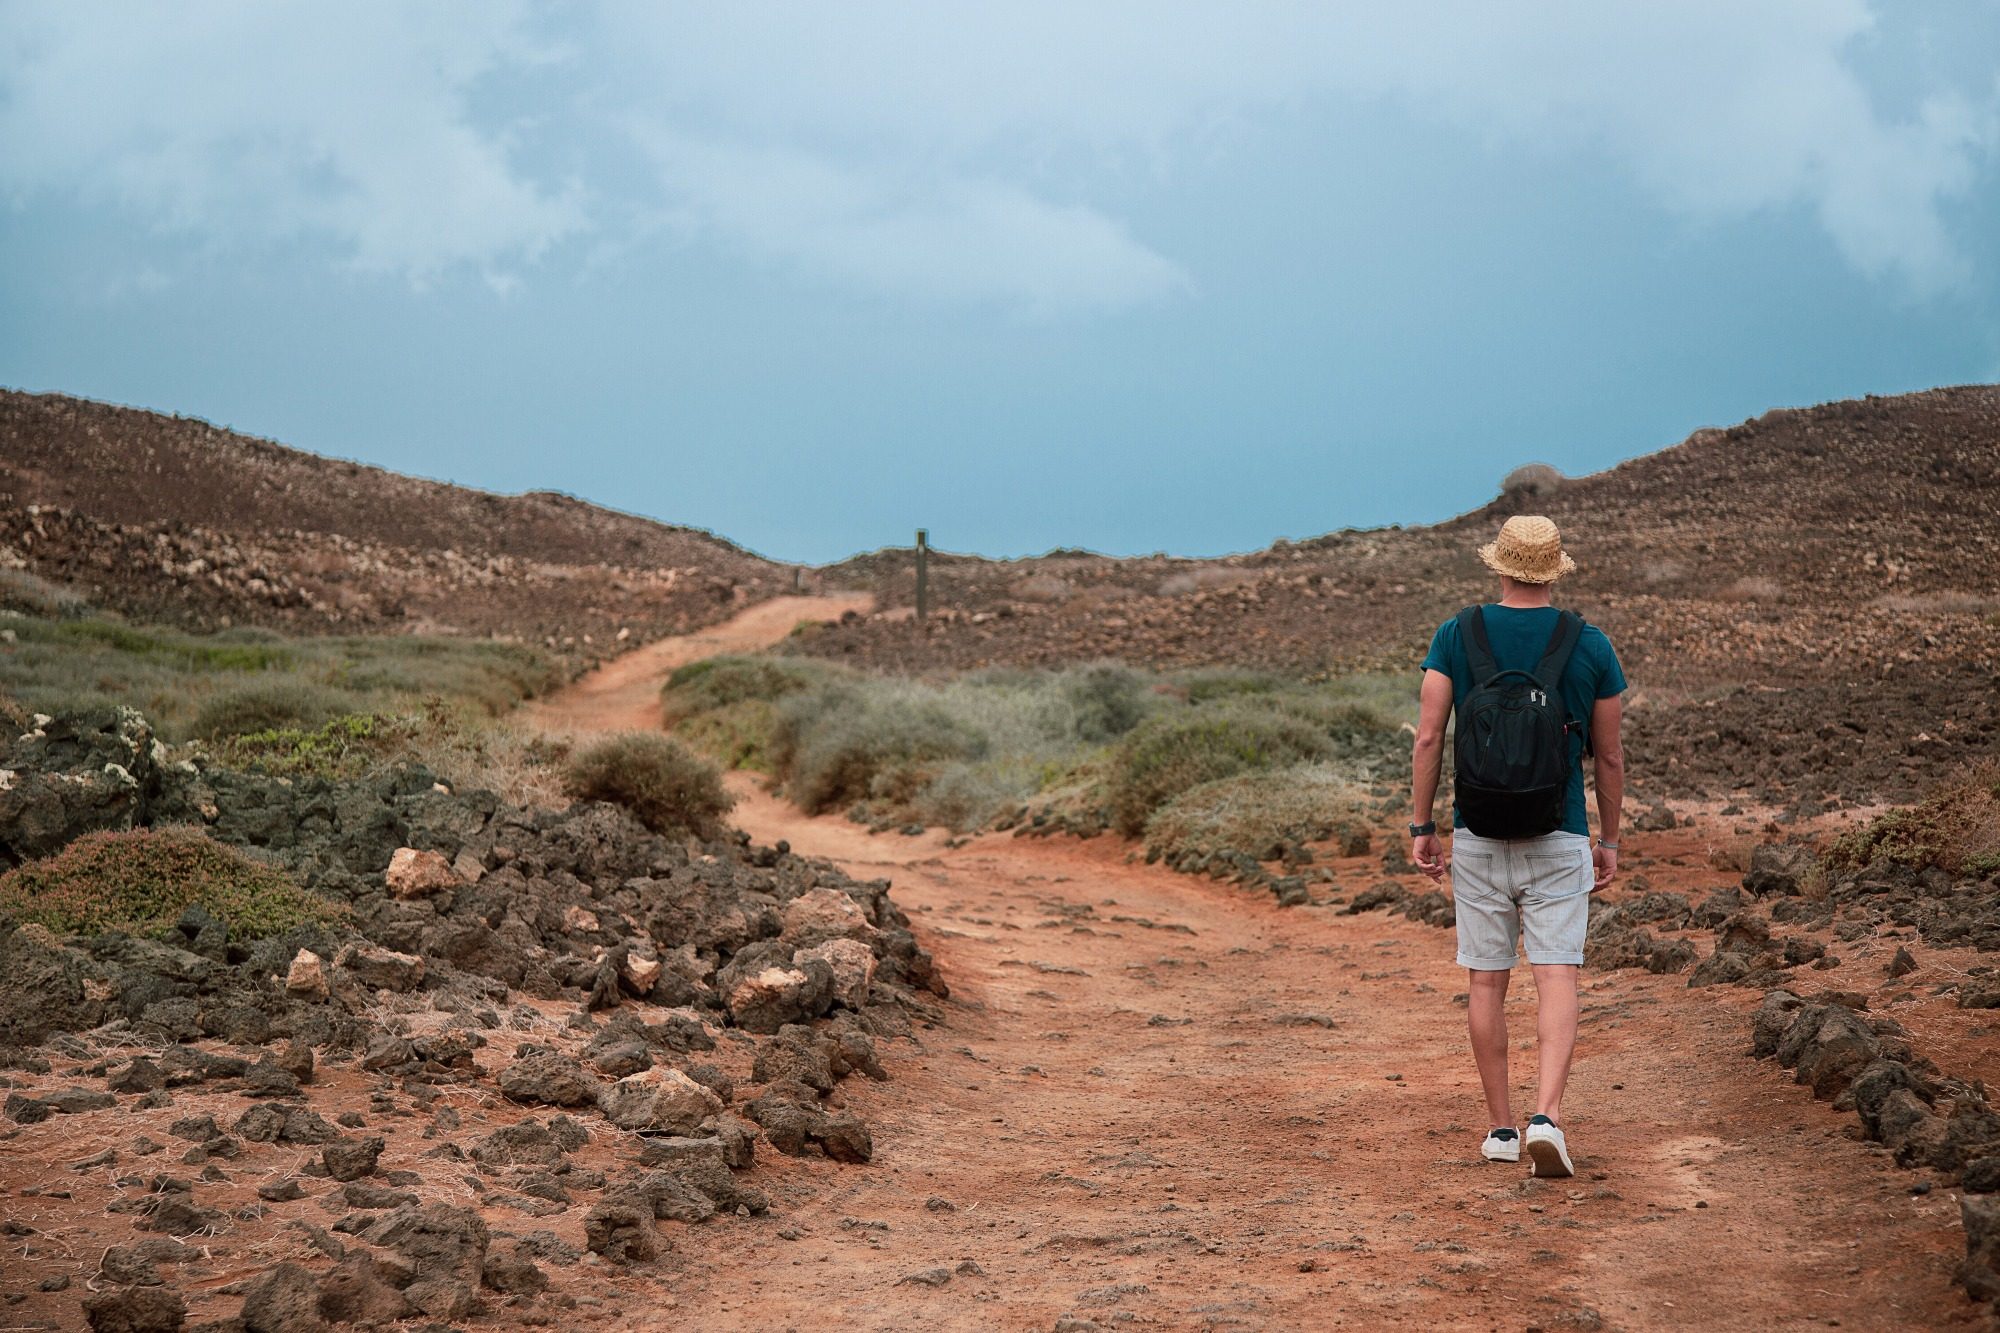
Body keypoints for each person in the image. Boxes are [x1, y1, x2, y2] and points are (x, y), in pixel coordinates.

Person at [1408, 514, 1626, 1178]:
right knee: (1557, 970)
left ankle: (1502, 1127)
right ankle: (1547, 1116)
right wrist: (1609, 838)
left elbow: (1428, 736)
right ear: (1554, 569)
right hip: (1558, 834)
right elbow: (1610, 756)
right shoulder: (1588, 644)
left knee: (1487, 979)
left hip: (1477, 833)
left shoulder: (1457, 634)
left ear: (1498, 566)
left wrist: (1423, 826)